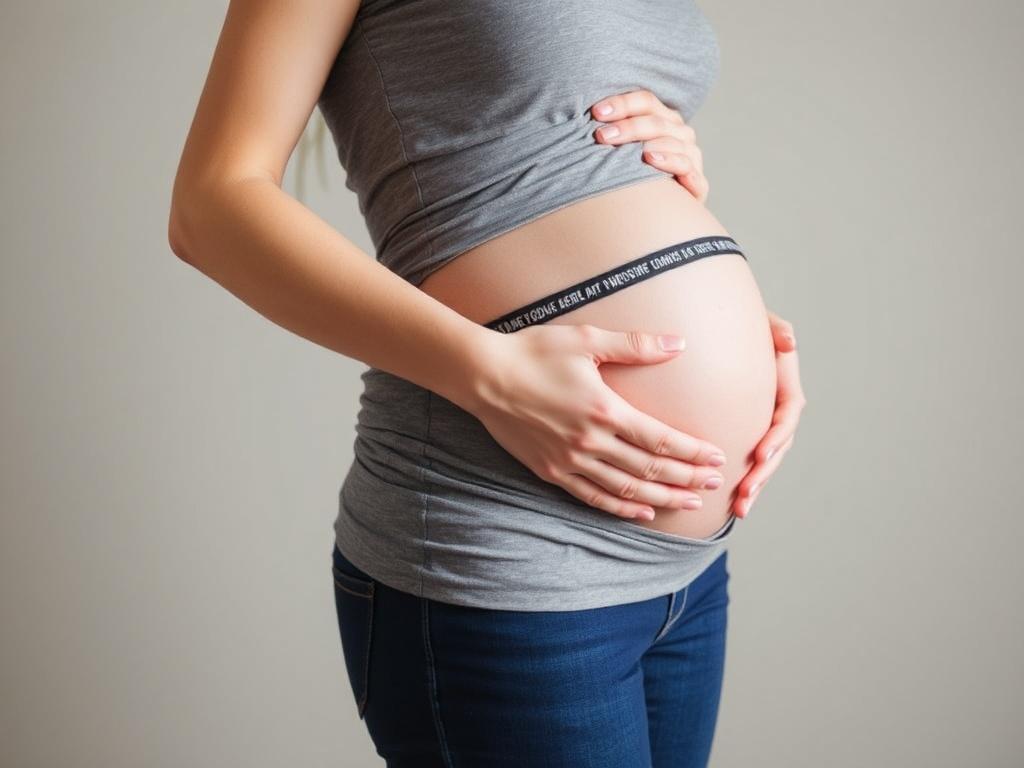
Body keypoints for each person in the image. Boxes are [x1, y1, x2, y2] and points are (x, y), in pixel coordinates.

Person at [169, 1, 807, 765]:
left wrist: (735, 322)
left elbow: (546, 159)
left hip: (689, 574)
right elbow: (210, 203)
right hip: (503, 543)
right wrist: (491, 374)